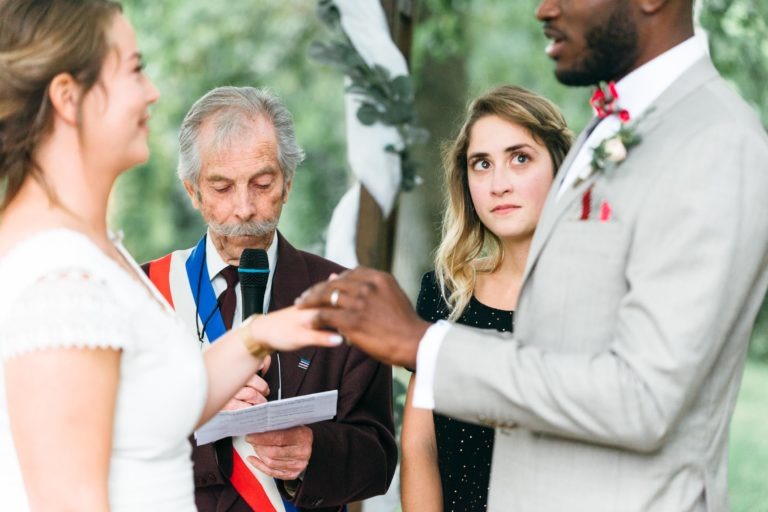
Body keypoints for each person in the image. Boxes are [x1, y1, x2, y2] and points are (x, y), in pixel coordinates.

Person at [298, 0, 768, 510]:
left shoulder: (716, 142)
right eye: (481, 164)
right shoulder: (615, 127)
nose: (544, 8)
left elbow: (644, 399)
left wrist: (423, 345)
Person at [0, 2, 342, 511]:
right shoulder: (61, 281)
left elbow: (148, 409)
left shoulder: (90, 247)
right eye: (134, 69)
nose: (152, 91)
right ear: (69, 98)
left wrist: (257, 334)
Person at [142, 86, 397, 512]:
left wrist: (313, 451)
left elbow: (379, 459)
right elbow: (108, 438)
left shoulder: (344, 296)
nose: (244, 208)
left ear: (287, 184)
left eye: (262, 184)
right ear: (193, 192)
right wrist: (198, 407)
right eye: (221, 187)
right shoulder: (146, 292)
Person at [400, 85, 572, 512]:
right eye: (482, 164)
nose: (499, 184)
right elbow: (419, 446)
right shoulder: (445, 294)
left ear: (560, 166)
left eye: (520, 158)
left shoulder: (595, 297)